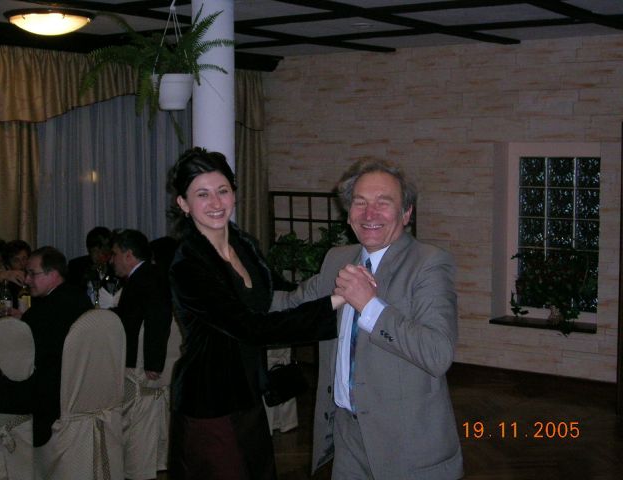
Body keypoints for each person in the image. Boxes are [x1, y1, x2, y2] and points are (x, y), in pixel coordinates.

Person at [272, 159, 464, 479]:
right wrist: (229, 285)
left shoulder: (428, 264)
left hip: (407, 447)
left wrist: (370, 306)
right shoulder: (337, 259)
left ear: (406, 213)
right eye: (360, 202)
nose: (369, 213)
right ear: (348, 214)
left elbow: (437, 353)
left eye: (383, 203)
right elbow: (289, 304)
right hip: (347, 436)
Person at [166, 146, 344, 480]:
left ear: (234, 193)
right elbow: (250, 328)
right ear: (183, 204)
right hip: (209, 399)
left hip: (246, 390)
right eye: (202, 194)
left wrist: (336, 284)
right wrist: (332, 304)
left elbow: (281, 292)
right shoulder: (189, 264)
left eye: (223, 190)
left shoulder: (243, 245)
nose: (216, 203)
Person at [21, 246, 93, 446]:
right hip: (82, 384)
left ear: (52, 274)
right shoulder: (80, 297)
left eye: (32, 274)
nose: (27, 280)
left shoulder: (41, 312)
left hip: (52, 397)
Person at [110, 229, 172, 379]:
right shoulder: (146, 275)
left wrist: (153, 363)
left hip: (136, 362)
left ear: (128, 256)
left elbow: (158, 315)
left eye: (114, 254)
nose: (111, 260)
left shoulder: (146, 278)